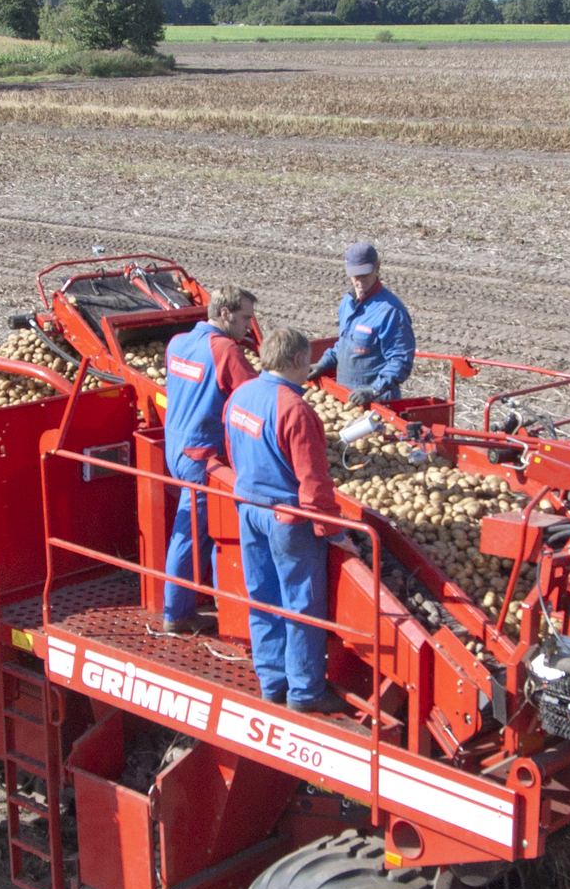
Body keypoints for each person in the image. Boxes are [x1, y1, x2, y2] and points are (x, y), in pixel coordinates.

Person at [222, 327, 341, 713]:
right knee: (300, 603)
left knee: (263, 596)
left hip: (248, 507)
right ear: (296, 361)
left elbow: (231, 450)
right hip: (286, 518)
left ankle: (271, 681)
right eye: (307, 361)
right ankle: (305, 692)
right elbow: (314, 483)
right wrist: (334, 533)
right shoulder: (295, 409)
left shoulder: (240, 396)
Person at [157, 285, 256, 633]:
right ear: (225, 313)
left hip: (176, 448)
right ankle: (178, 612)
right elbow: (255, 399)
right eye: (245, 317)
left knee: (193, 528)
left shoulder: (177, 343)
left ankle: (193, 603)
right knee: (197, 531)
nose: (249, 325)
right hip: (203, 455)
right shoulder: (225, 350)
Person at [330, 242, 416, 404]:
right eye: (356, 275)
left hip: (378, 402)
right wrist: (323, 363)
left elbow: (400, 360)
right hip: (347, 397)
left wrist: (373, 390)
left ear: (377, 267)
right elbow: (344, 344)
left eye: (365, 274)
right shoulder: (347, 303)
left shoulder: (391, 311)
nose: (360, 281)